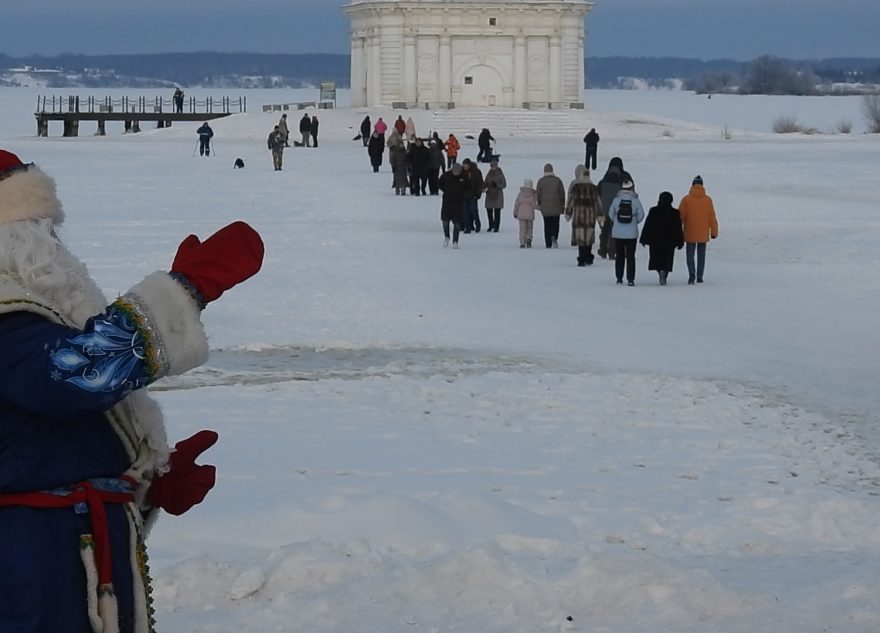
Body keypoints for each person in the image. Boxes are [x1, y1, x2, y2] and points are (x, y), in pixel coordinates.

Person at [0, 149, 264, 633]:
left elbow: (42, 430)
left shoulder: (30, 316)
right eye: (38, 229)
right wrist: (187, 289)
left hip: (62, 552)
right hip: (28, 568)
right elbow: (79, 373)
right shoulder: (7, 321)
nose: (54, 245)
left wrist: (134, 482)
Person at [678, 175, 719, 284]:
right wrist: (714, 231)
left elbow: (680, 217)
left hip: (690, 232)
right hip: (703, 233)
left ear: (692, 185)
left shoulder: (686, 200)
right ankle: (700, 276)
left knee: (690, 255)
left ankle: (692, 274)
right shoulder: (707, 200)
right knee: (701, 255)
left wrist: (677, 231)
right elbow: (712, 217)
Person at [639, 191, 684, 285]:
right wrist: (680, 241)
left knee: (656, 259)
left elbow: (648, 225)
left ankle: (660, 272)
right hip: (670, 241)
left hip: (655, 240)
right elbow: (678, 228)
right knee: (667, 260)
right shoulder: (675, 213)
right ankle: (664, 273)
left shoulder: (653, 211)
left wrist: (644, 238)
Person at [607, 179, 645, 286]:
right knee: (631, 256)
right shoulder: (635, 200)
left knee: (619, 255)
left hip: (618, 233)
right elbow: (641, 215)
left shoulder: (616, 200)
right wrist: (634, 222)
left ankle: (619, 278)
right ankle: (631, 279)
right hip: (631, 233)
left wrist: (616, 222)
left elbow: (610, 213)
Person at [564, 165, 603, 266]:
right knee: (588, 238)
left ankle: (581, 258)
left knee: (581, 239)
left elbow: (570, 202)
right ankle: (588, 257)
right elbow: (597, 204)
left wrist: (568, 213)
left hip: (578, 218)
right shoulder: (594, 189)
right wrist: (600, 217)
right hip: (590, 217)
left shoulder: (575, 188)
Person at [596, 157, 633, 259]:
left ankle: (603, 249)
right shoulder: (625, 177)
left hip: (605, 209)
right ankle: (612, 251)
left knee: (605, 230)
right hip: (619, 209)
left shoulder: (604, 179)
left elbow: (598, 193)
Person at [535, 163, 565, 248]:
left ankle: (548, 242)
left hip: (545, 207)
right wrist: (562, 204)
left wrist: (540, 203)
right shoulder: (558, 180)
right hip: (556, 206)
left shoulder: (541, 181)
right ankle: (554, 237)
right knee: (556, 224)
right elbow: (562, 193)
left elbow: (538, 194)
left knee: (547, 225)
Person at [438, 163, 466, 248]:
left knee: (457, 224)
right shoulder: (446, 175)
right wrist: (445, 190)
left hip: (458, 203)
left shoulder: (463, 178)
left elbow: (468, 187)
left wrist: (463, 195)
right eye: (455, 171)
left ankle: (455, 241)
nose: (456, 173)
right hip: (447, 202)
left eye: (458, 172)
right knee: (445, 221)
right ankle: (447, 236)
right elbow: (439, 183)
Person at [482, 159, 507, 233]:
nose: (492, 167)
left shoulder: (500, 174)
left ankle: (496, 226)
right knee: (489, 211)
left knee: (497, 212)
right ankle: (491, 225)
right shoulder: (489, 174)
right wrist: (483, 187)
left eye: (493, 166)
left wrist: (496, 185)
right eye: (491, 166)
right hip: (490, 194)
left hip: (498, 195)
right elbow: (485, 182)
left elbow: (504, 184)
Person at [512, 178, 538, 248]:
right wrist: (540, 208)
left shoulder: (520, 194)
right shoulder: (532, 195)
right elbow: (534, 205)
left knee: (522, 229)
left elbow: (516, 204)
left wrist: (515, 212)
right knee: (529, 228)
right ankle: (528, 239)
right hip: (530, 215)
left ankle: (522, 243)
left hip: (521, 215)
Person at [461, 159, 483, 233]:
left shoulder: (476, 172)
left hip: (473, 195)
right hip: (464, 195)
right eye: (463, 165)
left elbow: (480, 183)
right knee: (465, 211)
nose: (464, 167)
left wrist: (478, 194)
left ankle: (478, 224)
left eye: (466, 165)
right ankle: (468, 227)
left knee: (473, 210)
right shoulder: (462, 172)